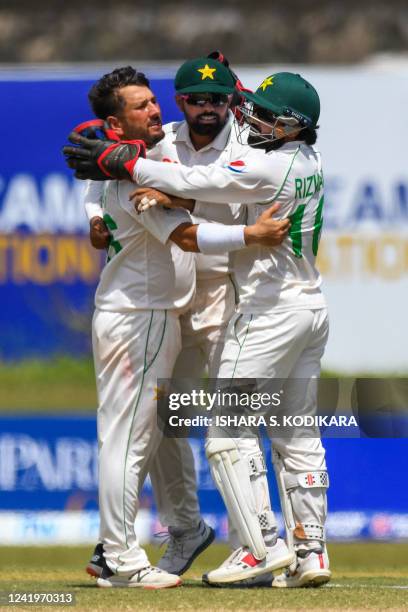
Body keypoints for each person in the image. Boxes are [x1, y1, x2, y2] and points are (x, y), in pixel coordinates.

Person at [65, 71, 331, 588]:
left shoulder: (257, 160)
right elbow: (175, 212)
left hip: (254, 309)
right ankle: (307, 548)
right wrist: (113, 182)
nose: (246, 115)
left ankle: (257, 548)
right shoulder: (306, 160)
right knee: (285, 431)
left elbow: (192, 185)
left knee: (224, 429)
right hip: (289, 308)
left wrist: (125, 162)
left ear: (291, 124)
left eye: (263, 111)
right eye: (145, 105)